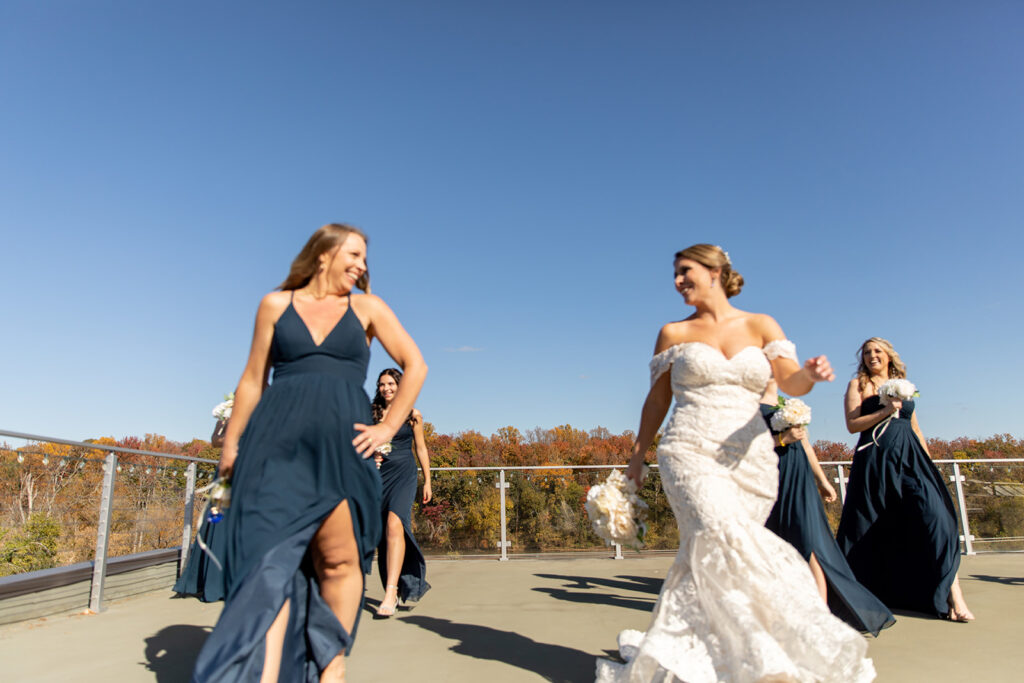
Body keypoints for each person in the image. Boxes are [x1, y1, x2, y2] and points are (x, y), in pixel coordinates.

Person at [596, 244, 874, 683]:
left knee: (707, 556)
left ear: (715, 271)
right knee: (721, 535)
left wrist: (812, 375)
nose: (677, 281)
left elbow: (790, 382)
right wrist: (636, 457)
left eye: (685, 271)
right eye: (674, 274)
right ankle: (769, 661)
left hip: (751, 459)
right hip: (688, 450)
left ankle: (704, 662)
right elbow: (657, 399)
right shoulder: (673, 333)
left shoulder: (761, 324)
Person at [191, 223, 427, 683]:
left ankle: (332, 668)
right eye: (354, 254)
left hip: (341, 449)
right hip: (275, 446)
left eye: (365, 258)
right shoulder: (275, 305)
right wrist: (231, 447)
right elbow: (252, 381)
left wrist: (387, 426)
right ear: (323, 255)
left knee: (339, 559)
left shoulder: (368, 308)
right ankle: (266, 672)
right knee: (267, 566)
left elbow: (415, 365)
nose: (362, 265)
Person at [836, 337, 973, 622]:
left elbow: (915, 427)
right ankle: (854, 595)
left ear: (888, 356)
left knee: (939, 519)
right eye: (866, 352)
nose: (872, 356)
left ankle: (954, 596)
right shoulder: (858, 385)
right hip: (875, 459)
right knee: (865, 526)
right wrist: (885, 410)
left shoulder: (904, 384)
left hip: (910, 458)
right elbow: (852, 425)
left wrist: (928, 464)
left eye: (877, 351)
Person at [760, 380, 895, 636]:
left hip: (798, 478)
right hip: (769, 478)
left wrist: (822, 481)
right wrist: (780, 439)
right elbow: (740, 450)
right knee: (779, 542)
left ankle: (820, 615)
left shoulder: (788, 405)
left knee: (810, 539)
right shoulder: (744, 408)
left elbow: (806, 446)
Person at [369, 368, 433, 617]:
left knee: (396, 525)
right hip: (377, 476)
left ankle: (390, 593)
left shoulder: (412, 414)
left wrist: (427, 480)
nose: (386, 388)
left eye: (391, 384)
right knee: (382, 534)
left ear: (400, 386)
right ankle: (392, 589)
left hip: (404, 474)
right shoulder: (370, 412)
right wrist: (369, 455)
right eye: (382, 384)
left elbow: (421, 448)